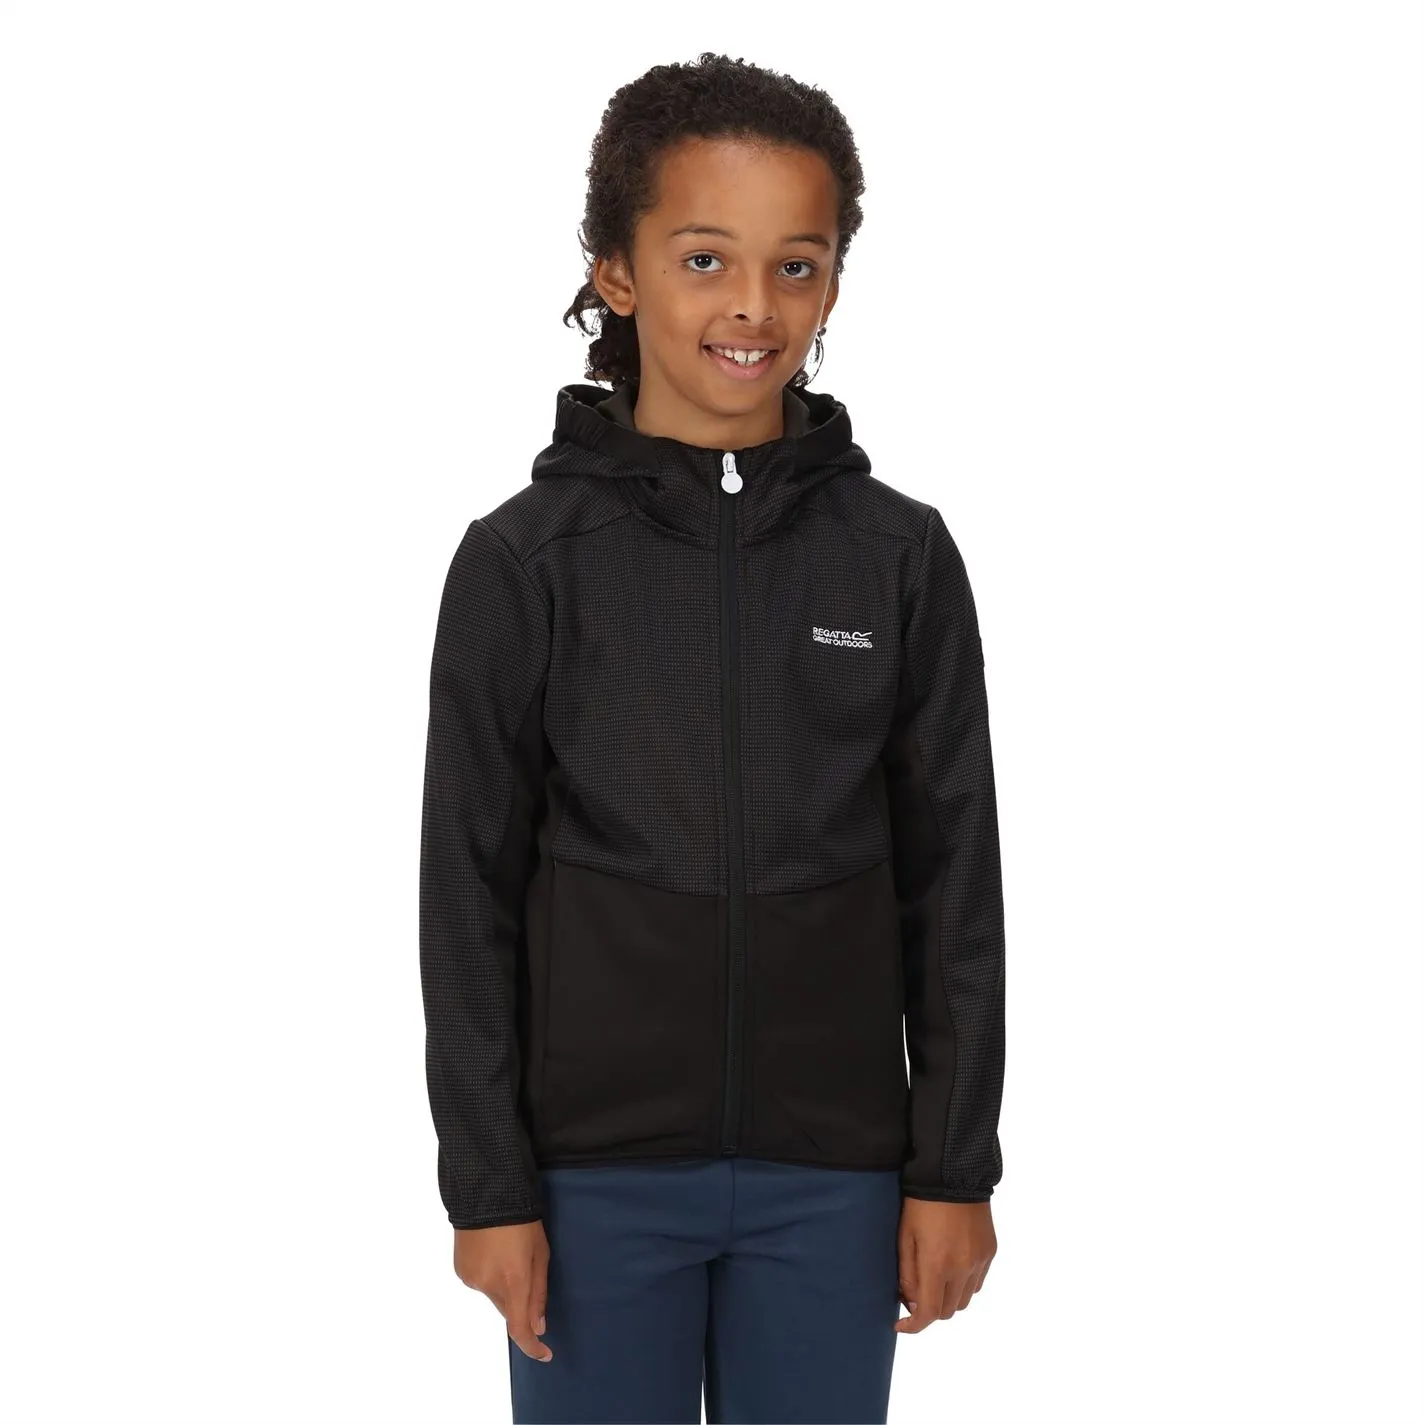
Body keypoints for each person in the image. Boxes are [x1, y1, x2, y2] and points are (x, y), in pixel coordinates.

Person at [418, 51, 1006, 1425]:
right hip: (591, 1182)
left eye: (797, 266)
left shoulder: (899, 557)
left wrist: (953, 1168)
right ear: (616, 274)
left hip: (836, 1178)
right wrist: (489, 1188)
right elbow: (464, 896)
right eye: (703, 260)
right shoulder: (523, 563)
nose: (753, 306)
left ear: (833, 285)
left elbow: (956, 885)